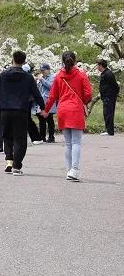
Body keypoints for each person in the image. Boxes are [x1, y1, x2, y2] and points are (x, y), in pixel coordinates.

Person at [42, 51, 92, 181]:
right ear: (74, 61)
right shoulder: (82, 75)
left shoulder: (59, 76)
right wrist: (83, 102)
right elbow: (88, 93)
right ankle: (74, 170)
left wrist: (46, 110)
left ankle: (69, 169)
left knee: (68, 143)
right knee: (76, 142)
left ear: (62, 61)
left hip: (63, 110)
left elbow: (52, 95)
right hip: (75, 109)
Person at [0, 51, 44, 175]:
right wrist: (43, 106)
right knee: (20, 139)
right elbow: (36, 93)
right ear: (24, 61)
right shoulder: (28, 77)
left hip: (5, 110)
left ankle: (9, 160)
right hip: (21, 110)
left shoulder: (3, 75)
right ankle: (16, 166)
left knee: (7, 136)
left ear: (12, 59)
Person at [97, 59, 119, 136]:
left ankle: (109, 131)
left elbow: (115, 86)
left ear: (101, 66)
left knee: (108, 113)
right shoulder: (104, 73)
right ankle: (108, 129)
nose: (97, 67)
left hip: (109, 97)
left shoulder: (108, 74)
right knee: (106, 113)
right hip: (106, 96)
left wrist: (112, 95)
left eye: (98, 65)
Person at [37, 64, 56, 142]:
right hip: (42, 102)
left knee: (49, 119)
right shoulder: (42, 78)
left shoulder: (53, 77)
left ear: (48, 70)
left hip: (49, 101)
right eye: (41, 70)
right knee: (41, 119)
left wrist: (42, 80)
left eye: (43, 70)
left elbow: (51, 87)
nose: (42, 72)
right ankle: (42, 137)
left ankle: (51, 137)